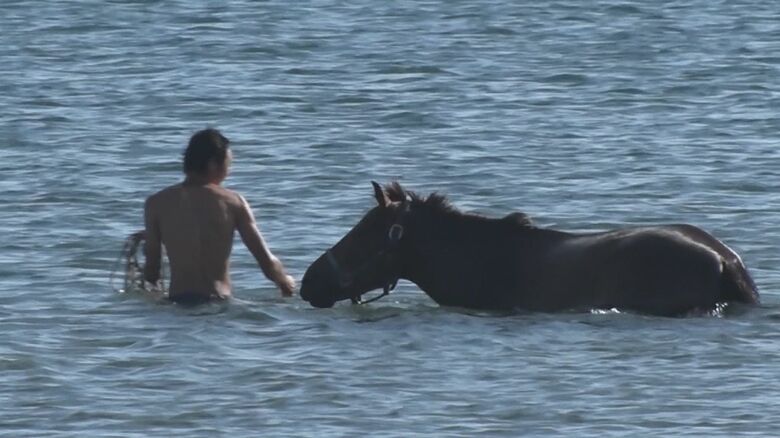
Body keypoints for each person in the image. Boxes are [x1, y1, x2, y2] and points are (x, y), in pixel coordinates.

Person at [142, 128, 296, 303]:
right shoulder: (233, 202)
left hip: (177, 302)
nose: (229, 171)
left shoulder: (156, 203)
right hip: (217, 301)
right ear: (213, 164)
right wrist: (285, 282)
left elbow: (152, 271)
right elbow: (266, 262)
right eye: (228, 164)